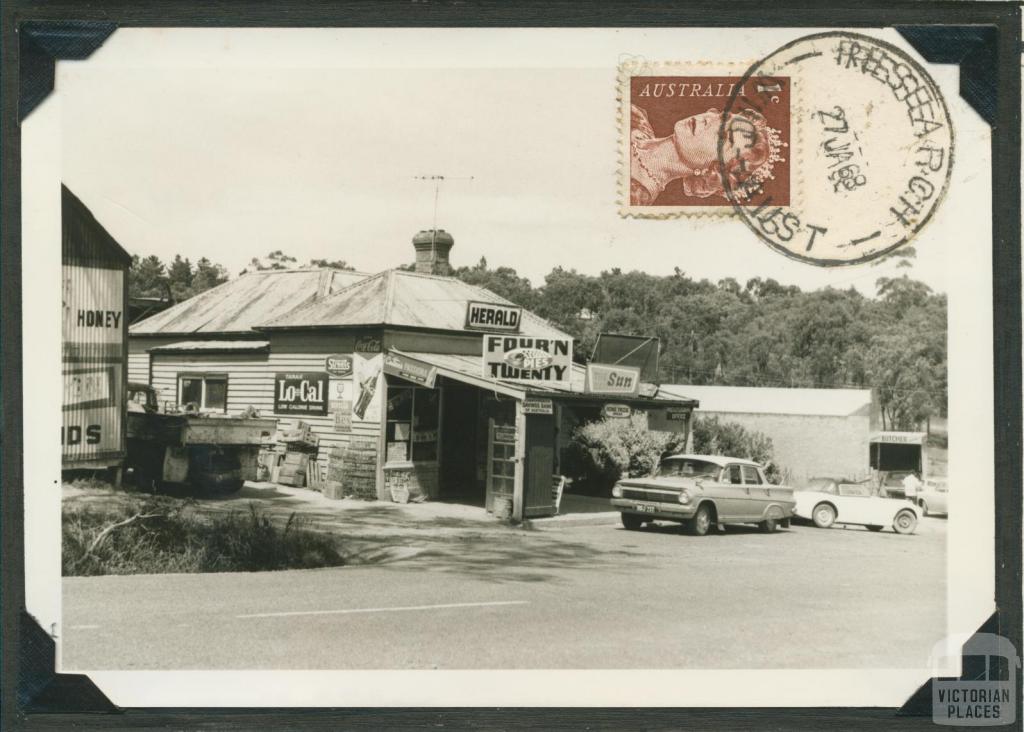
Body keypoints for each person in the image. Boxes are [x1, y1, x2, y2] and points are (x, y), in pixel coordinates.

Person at [629, 104, 786, 206]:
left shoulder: (633, 197)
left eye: (722, 137)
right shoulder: (636, 116)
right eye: (722, 117)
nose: (709, 121)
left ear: (713, 170)